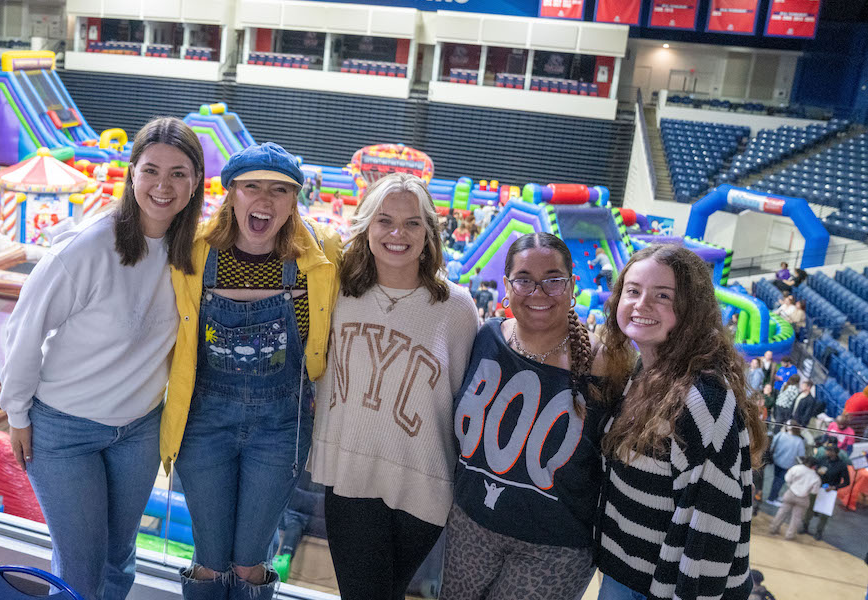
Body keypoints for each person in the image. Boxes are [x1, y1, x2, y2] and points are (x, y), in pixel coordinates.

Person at [0, 118, 205, 600]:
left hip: (138, 429)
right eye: (151, 170)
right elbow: (25, 329)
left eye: (178, 173)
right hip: (64, 429)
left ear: (196, 181)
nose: (163, 185)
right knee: (81, 569)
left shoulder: (193, 252)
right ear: (131, 173)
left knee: (118, 562)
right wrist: (17, 413)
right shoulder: (90, 248)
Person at [164, 142, 341, 600]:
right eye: (252, 187)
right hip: (205, 423)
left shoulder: (321, 256)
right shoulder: (194, 251)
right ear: (231, 194)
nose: (264, 200)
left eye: (279, 190)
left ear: (294, 200)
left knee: (249, 564)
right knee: (208, 561)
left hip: (281, 427)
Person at [308, 174, 478, 600]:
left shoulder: (457, 309)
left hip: (425, 486)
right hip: (351, 479)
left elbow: (460, 399)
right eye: (385, 220)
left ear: (429, 234)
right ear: (367, 227)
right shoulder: (337, 291)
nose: (398, 233)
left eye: (412, 223)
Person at [595, 245, 765, 600]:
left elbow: (711, 528)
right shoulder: (644, 370)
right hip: (624, 575)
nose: (642, 304)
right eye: (633, 290)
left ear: (692, 309)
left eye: (663, 296)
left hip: (658, 588)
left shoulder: (702, 399)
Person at [440, 233, 602, 600]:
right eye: (524, 279)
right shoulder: (486, 338)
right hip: (470, 525)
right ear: (508, 286)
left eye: (553, 279)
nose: (538, 291)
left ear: (572, 285)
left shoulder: (605, 364)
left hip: (554, 549)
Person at [768, 456, 821, 541]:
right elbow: (814, 491)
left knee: (782, 512)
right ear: (814, 466)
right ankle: (790, 535)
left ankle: (773, 528)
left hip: (791, 493)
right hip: (803, 498)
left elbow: (787, 479)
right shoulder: (816, 477)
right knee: (797, 518)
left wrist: (792, 486)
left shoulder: (796, 468)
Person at [804, 444, 850, 541]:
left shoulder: (841, 465)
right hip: (817, 488)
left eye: (829, 450)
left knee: (824, 513)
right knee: (809, 508)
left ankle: (819, 531)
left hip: (829, 492)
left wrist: (834, 487)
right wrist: (817, 471)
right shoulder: (822, 459)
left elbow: (847, 482)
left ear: (834, 452)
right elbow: (814, 467)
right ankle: (805, 526)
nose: (826, 452)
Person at [768, 423, 806, 505]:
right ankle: (771, 499)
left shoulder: (781, 434)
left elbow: (772, 445)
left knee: (776, 480)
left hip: (776, 461)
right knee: (779, 482)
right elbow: (801, 454)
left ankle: (775, 496)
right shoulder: (799, 441)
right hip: (787, 465)